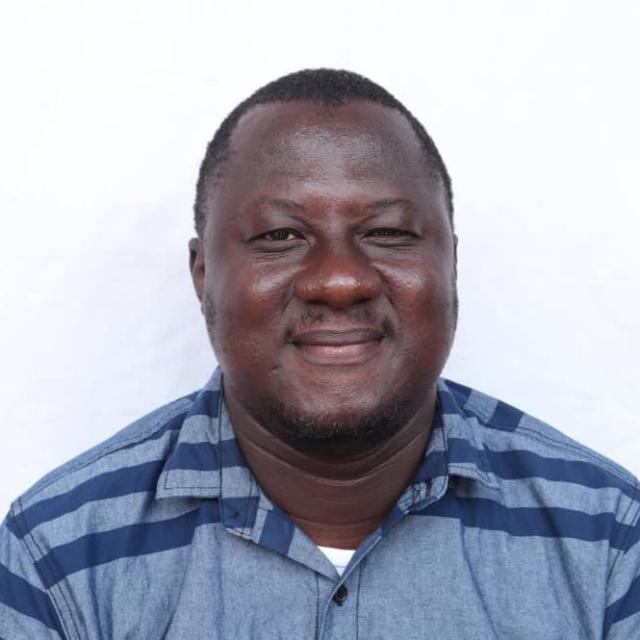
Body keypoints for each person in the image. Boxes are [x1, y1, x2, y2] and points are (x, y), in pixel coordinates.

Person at [0, 68, 638, 640]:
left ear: (451, 265)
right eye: (280, 236)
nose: (340, 281)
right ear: (202, 274)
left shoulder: (609, 539)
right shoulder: (57, 555)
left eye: (387, 233)